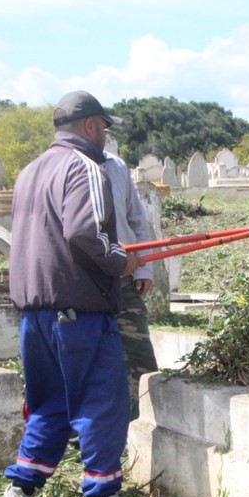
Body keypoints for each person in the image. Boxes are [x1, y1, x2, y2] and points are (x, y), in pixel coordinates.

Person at [3, 90, 142, 497]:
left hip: (34, 312)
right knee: (100, 399)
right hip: (79, 310)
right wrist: (122, 260)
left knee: (49, 401)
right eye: (104, 128)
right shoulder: (85, 167)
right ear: (91, 126)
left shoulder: (30, 171)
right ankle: (100, 495)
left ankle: (21, 487)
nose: (105, 137)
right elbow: (86, 232)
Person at [100, 148, 160, 422]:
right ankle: (87, 433)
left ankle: (138, 426)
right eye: (100, 127)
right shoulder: (65, 165)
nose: (103, 132)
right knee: (95, 362)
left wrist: (143, 268)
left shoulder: (116, 165)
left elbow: (137, 220)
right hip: (87, 284)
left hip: (125, 280)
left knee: (140, 359)